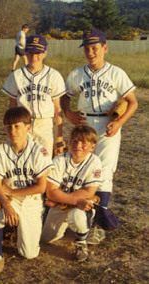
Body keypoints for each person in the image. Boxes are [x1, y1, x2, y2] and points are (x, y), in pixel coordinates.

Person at [61, 30, 138, 244]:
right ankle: (82, 213)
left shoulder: (116, 73)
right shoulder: (77, 74)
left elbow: (132, 102)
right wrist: (68, 113)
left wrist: (119, 122)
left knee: (104, 172)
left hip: (107, 124)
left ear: (105, 48)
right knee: (81, 168)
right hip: (85, 123)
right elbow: (64, 97)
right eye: (87, 48)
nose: (90, 52)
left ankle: (97, 224)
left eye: (95, 48)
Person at [0, 107, 53, 280]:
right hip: (9, 200)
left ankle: (13, 228)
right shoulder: (0, 151)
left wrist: (12, 191)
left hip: (31, 201)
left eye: (17, 126)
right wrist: (6, 204)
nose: (12, 131)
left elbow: (41, 187)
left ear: (28, 127)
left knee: (28, 253)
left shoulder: (39, 151)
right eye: (8, 127)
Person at [42, 125, 102, 262]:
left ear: (92, 147)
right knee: (47, 239)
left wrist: (66, 200)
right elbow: (51, 192)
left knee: (78, 214)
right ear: (69, 143)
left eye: (84, 143)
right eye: (75, 141)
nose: (78, 145)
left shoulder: (94, 161)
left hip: (75, 204)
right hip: (63, 204)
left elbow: (89, 191)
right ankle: (73, 225)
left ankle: (82, 241)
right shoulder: (59, 160)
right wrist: (73, 200)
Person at [2, 35, 66, 157]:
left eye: (38, 52)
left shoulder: (53, 75)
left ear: (45, 53)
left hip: (45, 124)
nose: (34, 56)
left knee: (45, 161)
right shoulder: (17, 75)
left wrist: (59, 136)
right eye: (31, 52)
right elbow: (12, 106)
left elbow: (57, 108)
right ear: (26, 52)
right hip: (22, 123)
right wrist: (12, 129)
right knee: (21, 160)